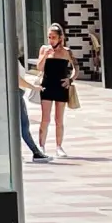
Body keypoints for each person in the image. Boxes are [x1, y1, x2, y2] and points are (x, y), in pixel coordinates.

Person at [36, 23, 76, 159]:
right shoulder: (44, 49)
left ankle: (59, 146)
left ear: (60, 38)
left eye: (53, 37)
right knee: (45, 119)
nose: (51, 40)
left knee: (59, 119)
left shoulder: (67, 51)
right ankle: (41, 146)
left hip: (61, 87)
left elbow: (77, 69)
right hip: (47, 85)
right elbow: (39, 68)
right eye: (49, 37)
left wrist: (70, 80)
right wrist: (45, 56)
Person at [14, 58, 50, 163]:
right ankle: (36, 152)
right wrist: (33, 87)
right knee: (24, 125)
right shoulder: (10, 57)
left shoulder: (12, 57)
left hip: (18, 94)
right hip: (16, 94)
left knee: (22, 125)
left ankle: (32, 152)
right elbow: (17, 79)